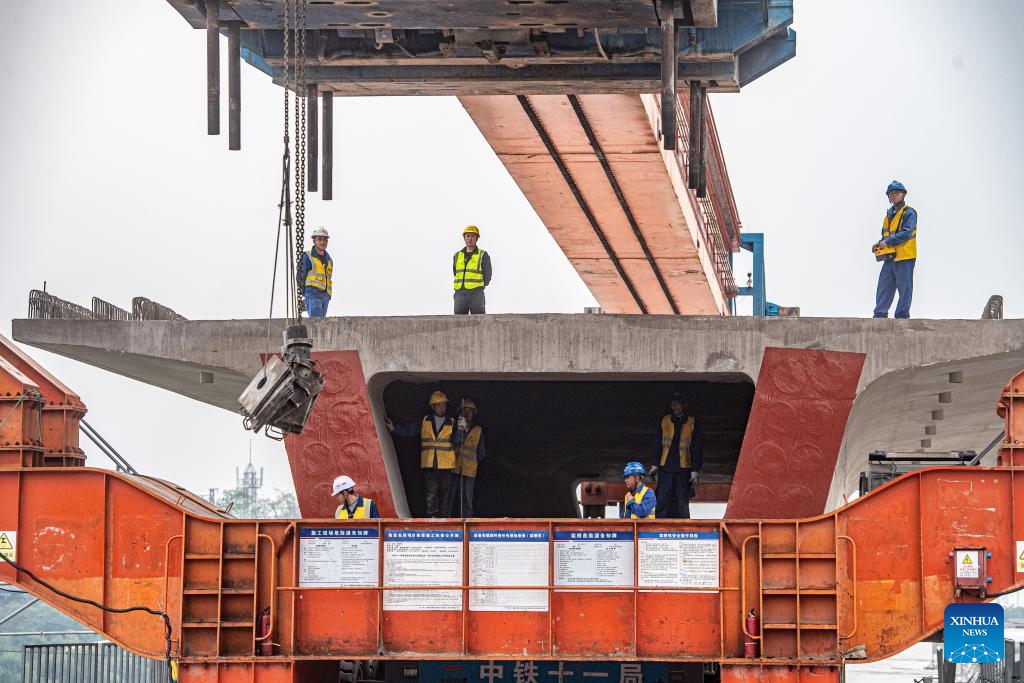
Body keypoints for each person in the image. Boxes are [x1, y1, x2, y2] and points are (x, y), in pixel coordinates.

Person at [386, 390, 456, 517]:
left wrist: (463, 429)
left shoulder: (453, 422)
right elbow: (410, 430)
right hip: (429, 464)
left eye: (443, 405)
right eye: (438, 405)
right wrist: (394, 429)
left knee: (446, 494)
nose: (441, 408)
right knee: (431, 493)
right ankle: (432, 518)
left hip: (446, 465)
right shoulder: (425, 421)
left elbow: (458, 441)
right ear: (433, 407)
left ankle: (446, 518)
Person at [872, 180, 918, 319]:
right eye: (891, 193)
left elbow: (906, 232)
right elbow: (886, 235)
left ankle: (902, 317)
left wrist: (887, 241)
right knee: (884, 287)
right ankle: (879, 315)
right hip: (890, 256)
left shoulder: (908, 212)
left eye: (897, 193)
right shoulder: (888, 215)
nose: (894, 195)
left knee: (904, 288)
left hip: (905, 256)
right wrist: (879, 244)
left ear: (903, 194)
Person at [654, 391, 703, 519]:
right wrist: (654, 464)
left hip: (684, 468)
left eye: (678, 404)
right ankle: (657, 529)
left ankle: (684, 529)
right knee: (662, 499)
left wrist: (695, 470)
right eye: (673, 404)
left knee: (682, 501)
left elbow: (696, 447)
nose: (675, 407)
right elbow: (657, 443)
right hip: (666, 467)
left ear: (684, 405)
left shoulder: (692, 422)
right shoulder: (665, 420)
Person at [447, 398, 486, 518]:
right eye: (464, 411)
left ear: (474, 413)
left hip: (469, 471)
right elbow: (452, 442)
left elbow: (481, 453)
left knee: (467, 500)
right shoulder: (454, 427)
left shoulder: (478, 430)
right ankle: (445, 522)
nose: (467, 414)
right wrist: (460, 430)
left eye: (470, 411)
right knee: (449, 498)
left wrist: (471, 463)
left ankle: (466, 523)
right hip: (453, 468)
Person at [453, 225, 492, 315]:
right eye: (468, 236)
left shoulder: (483, 255)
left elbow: (488, 275)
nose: (470, 238)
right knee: (458, 323)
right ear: (464, 238)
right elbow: (455, 272)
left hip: (476, 294)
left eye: (473, 236)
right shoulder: (457, 255)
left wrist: (478, 287)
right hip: (460, 294)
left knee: (479, 322)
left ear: (476, 238)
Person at [298, 226, 333, 318]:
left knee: (322, 324)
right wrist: (304, 294)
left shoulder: (329, 260)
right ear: (314, 241)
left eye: (325, 239)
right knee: (316, 323)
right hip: (313, 295)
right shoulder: (308, 256)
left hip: (325, 297)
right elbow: (301, 276)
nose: (322, 242)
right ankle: (307, 304)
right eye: (319, 239)